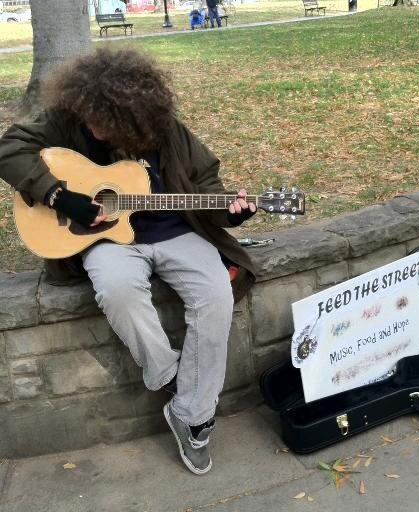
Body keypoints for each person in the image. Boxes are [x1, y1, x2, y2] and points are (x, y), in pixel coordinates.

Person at [0, 48, 257, 475]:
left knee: (215, 295)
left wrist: (230, 211)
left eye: (104, 123)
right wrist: (59, 196)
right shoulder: (68, 117)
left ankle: (191, 417)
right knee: (117, 290)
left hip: (175, 232)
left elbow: (208, 183)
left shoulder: (168, 131)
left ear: (135, 120)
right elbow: (9, 149)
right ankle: (169, 375)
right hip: (108, 239)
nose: (94, 129)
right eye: (91, 119)